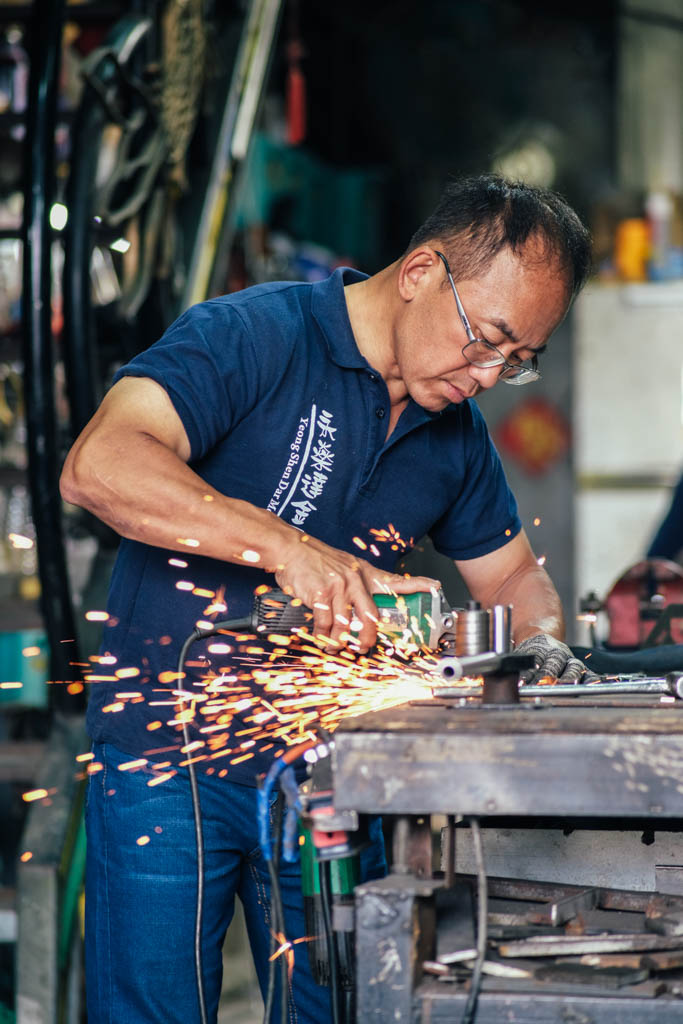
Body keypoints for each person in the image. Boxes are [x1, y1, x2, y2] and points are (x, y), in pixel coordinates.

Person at [60, 173, 594, 1024]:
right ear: (422, 272)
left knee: (338, 1007)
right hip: (170, 758)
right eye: (486, 339)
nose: (489, 373)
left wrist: (538, 643)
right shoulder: (253, 335)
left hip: (333, 780)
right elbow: (100, 465)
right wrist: (289, 550)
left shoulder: (452, 435)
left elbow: (515, 578)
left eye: (516, 360)